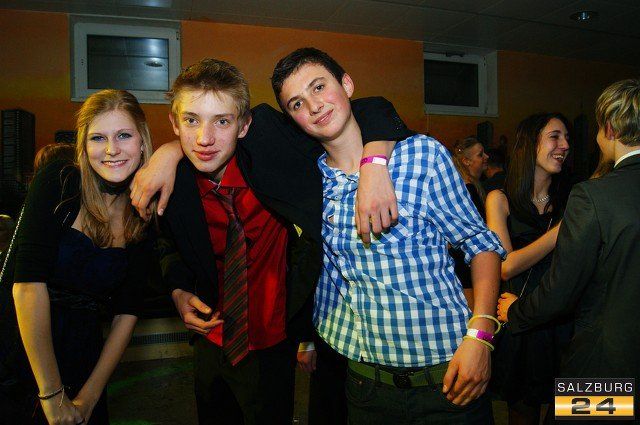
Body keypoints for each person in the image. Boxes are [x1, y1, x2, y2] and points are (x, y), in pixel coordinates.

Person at [130, 58, 411, 425]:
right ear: (174, 123)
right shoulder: (174, 184)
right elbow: (167, 244)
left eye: (222, 121)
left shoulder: (271, 149)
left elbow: (369, 109)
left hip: (275, 341)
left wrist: (374, 163)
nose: (204, 139)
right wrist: (178, 289)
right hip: (210, 338)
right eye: (192, 120)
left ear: (244, 125)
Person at [271, 47, 505, 424]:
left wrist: (481, 335)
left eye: (319, 87)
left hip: (447, 378)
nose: (313, 106)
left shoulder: (422, 156)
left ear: (347, 85)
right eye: (297, 103)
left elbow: (481, 245)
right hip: (364, 385)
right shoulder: (309, 183)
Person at [0, 89, 154, 425]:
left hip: (85, 357)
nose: (111, 149)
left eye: (124, 135)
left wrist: (92, 394)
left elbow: (127, 312)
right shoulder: (59, 181)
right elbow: (27, 286)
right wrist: (51, 394)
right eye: (98, 138)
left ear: (142, 141)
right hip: (23, 349)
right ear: (84, 146)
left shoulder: (145, 212)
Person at [498, 79, 640, 420]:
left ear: (609, 128)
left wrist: (516, 312)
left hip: (605, 368)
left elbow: (562, 290)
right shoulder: (504, 197)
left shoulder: (592, 195)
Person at [485, 112, 572, 425]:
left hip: (563, 320)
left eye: (567, 138)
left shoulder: (572, 199)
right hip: (520, 321)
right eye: (554, 137)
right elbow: (505, 266)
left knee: (576, 407)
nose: (564, 145)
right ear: (529, 145)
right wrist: (560, 231)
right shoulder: (499, 198)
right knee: (524, 412)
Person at [450, 136, 489, 308]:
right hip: (466, 269)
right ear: (466, 161)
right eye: (480, 154)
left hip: (467, 266)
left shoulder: (467, 187)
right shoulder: (467, 191)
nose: (486, 157)